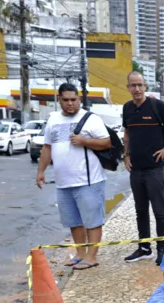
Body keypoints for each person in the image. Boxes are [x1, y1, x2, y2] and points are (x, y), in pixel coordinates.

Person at [35, 83, 111, 271]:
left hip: (89, 180)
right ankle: (80, 253)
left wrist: (84, 141)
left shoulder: (91, 119)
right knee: (73, 221)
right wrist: (41, 171)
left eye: (73, 100)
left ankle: (92, 256)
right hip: (63, 182)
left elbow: (106, 142)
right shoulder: (53, 120)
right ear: (59, 99)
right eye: (66, 100)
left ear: (79, 99)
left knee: (93, 220)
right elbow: (47, 147)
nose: (70, 104)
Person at [122, 70, 164, 264]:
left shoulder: (156, 105)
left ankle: (162, 248)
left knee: (159, 210)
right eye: (133, 85)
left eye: (140, 85)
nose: (137, 89)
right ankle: (144, 247)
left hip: (155, 170)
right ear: (128, 88)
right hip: (136, 170)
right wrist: (126, 155)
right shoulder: (127, 108)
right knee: (140, 210)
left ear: (145, 86)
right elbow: (127, 133)